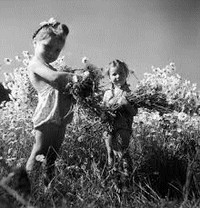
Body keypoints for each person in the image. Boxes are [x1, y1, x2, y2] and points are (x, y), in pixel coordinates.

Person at [25, 18, 79, 187]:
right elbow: (54, 78)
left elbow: (63, 85)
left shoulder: (53, 67)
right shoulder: (35, 64)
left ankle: (48, 191)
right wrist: (76, 77)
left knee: (52, 156)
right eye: (47, 47)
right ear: (35, 42)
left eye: (57, 50)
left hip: (61, 116)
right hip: (47, 113)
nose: (51, 53)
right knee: (39, 150)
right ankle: (26, 186)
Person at [102, 59, 138, 183]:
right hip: (108, 128)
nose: (118, 77)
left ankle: (127, 180)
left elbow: (134, 112)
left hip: (123, 127)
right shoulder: (107, 93)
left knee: (123, 153)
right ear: (109, 77)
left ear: (126, 75)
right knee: (110, 154)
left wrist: (126, 104)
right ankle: (112, 180)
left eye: (121, 73)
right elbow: (103, 112)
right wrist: (105, 112)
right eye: (114, 74)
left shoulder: (129, 93)